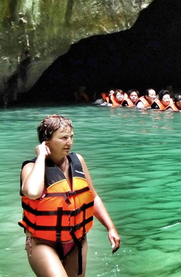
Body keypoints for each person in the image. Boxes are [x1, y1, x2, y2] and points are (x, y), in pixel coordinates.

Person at [20, 115, 120, 277]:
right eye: (63, 138)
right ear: (46, 142)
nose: (69, 142)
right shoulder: (31, 167)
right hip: (43, 243)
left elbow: (92, 197)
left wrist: (111, 228)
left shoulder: (78, 161)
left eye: (71, 137)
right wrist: (41, 157)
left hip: (77, 241)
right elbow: (32, 192)